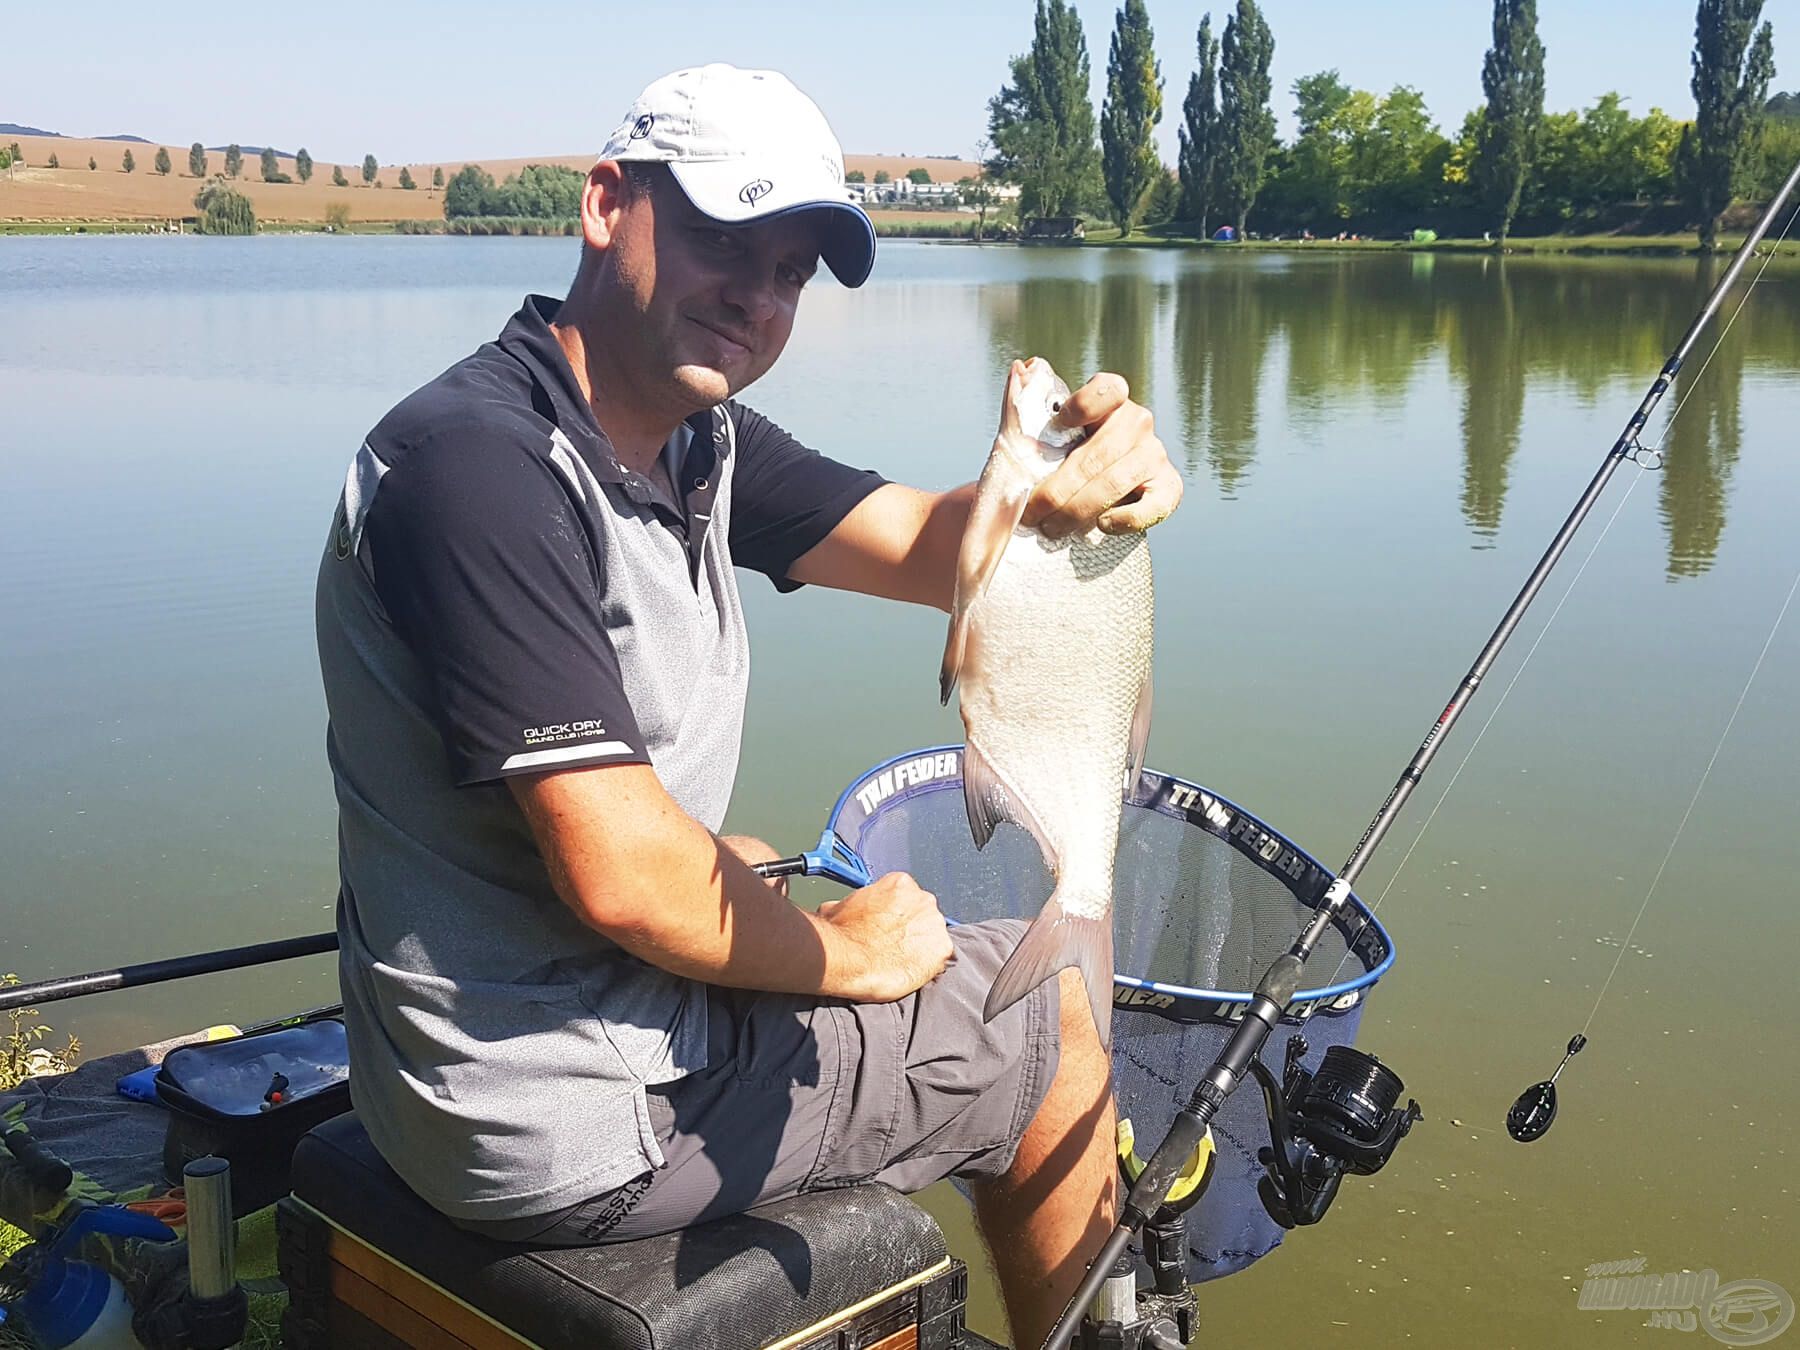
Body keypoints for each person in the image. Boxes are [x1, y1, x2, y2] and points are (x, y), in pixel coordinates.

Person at [314, 64, 1181, 1347]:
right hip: (567, 1114)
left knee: (753, 859)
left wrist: (1063, 498)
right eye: (727, 237)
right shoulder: (480, 473)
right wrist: (847, 957)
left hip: (487, 1056)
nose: (760, 296)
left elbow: (937, 550)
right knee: (1046, 1019)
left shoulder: (688, 437)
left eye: (793, 270)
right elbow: (623, 883)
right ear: (609, 204)